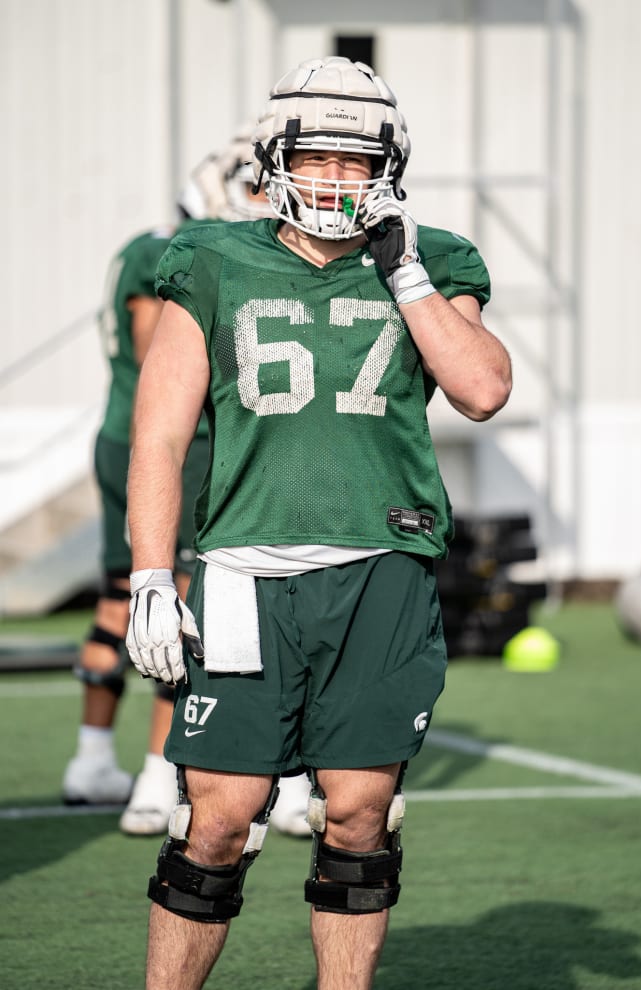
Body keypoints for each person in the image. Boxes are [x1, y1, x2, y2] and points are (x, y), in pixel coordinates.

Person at [125, 55, 512, 990]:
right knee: (215, 819)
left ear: (390, 162)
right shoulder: (212, 258)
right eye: (319, 156)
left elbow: (484, 389)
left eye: (355, 159)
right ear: (276, 157)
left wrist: (408, 274)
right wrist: (147, 575)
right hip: (245, 572)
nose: (336, 178)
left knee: (358, 815)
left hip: (381, 563)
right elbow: (160, 435)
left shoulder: (434, 255)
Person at [62, 134, 301, 837]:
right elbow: (155, 350)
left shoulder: (149, 244)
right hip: (174, 445)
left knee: (120, 599)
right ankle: (154, 775)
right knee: (178, 602)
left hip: (125, 438)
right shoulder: (177, 254)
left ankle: (92, 759)